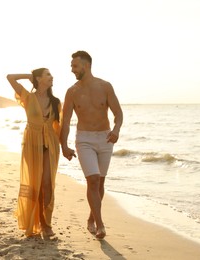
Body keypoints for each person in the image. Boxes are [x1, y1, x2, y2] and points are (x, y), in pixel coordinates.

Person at [60, 51, 123, 239]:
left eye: (75, 66)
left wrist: (116, 130)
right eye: (72, 66)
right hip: (84, 139)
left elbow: (118, 114)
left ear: (86, 66)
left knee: (100, 182)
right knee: (93, 180)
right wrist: (64, 145)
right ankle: (100, 225)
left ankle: (91, 218)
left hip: (105, 138)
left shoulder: (105, 87)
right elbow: (65, 122)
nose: (72, 70)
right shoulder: (72, 92)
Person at [7, 68, 61, 238]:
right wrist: (28, 76)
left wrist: (64, 146)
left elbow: (57, 127)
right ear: (38, 78)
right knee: (36, 183)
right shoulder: (28, 97)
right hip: (32, 142)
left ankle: (47, 221)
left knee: (47, 183)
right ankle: (42, 224)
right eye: (48, 74)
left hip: (50, 143)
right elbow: (10, 77)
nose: (51, 77)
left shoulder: (56, 101)